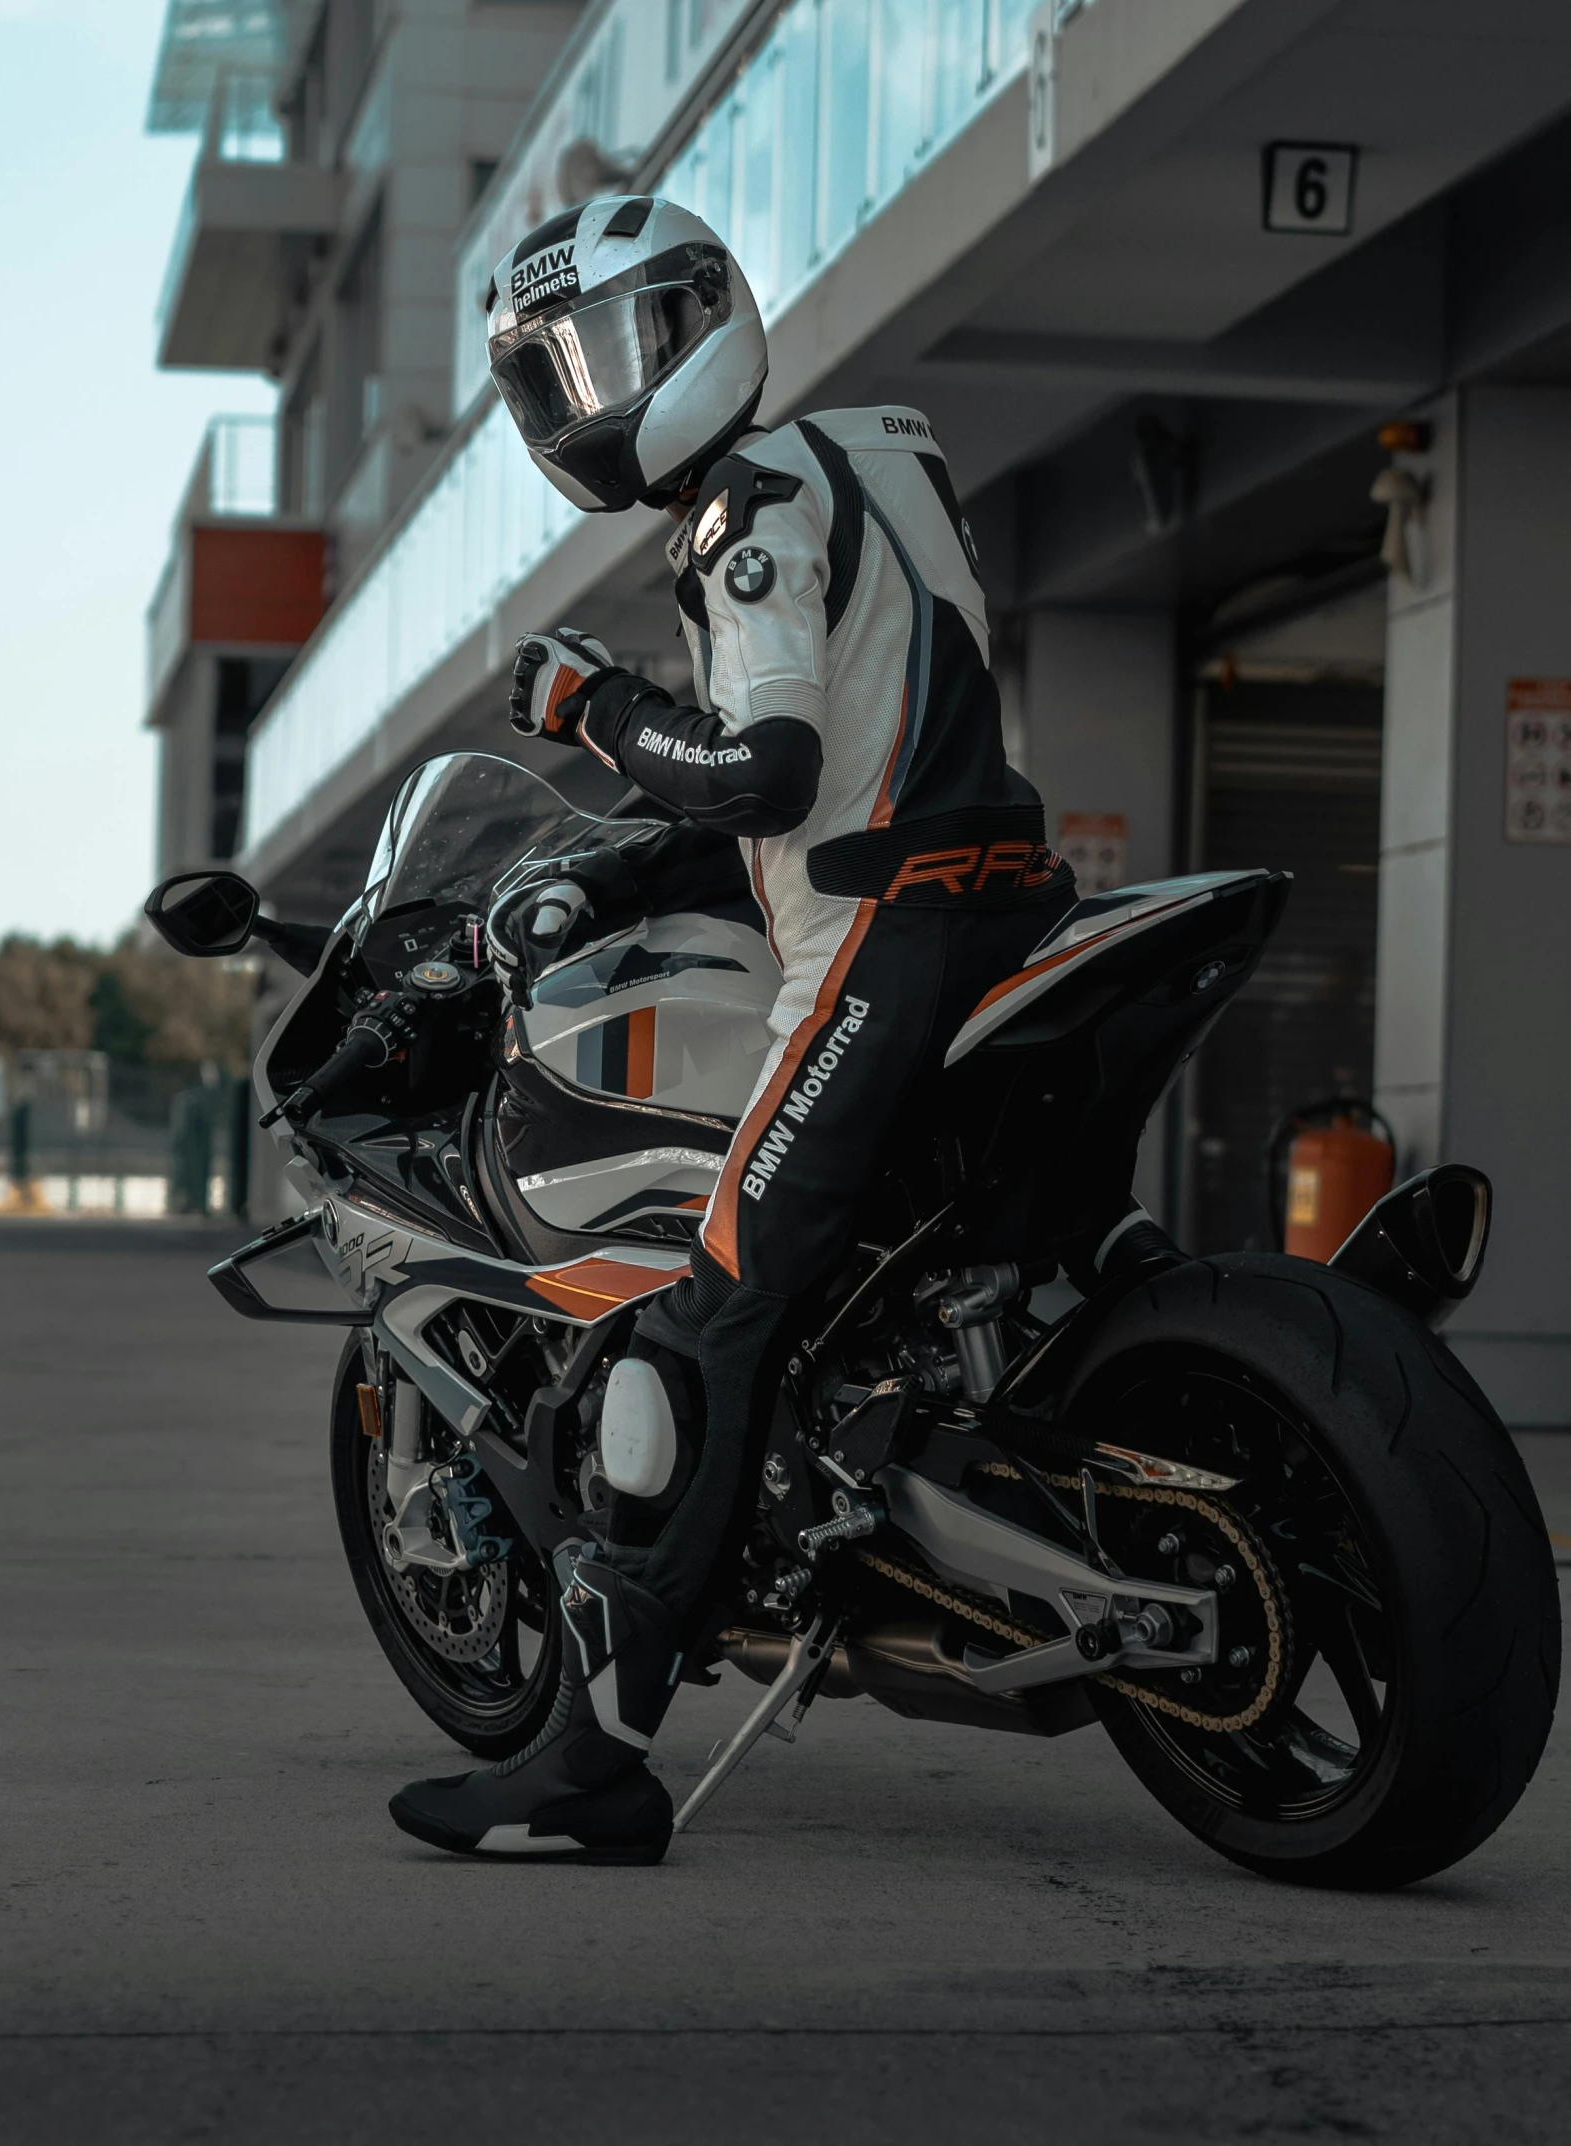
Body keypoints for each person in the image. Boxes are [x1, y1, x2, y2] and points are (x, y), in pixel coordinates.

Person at [389, 196, 1074, 1862]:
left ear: (711, 313)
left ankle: (591, 1774)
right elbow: (833, 761)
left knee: (699, 1330)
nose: (597, 398)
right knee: (1033, 1252)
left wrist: (588, 705)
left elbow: (766, 771)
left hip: (877, 946)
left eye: (617, 348)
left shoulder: (741, 513)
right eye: (564, 376)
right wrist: (625, 851)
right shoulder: (881, 451)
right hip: (1016, 901)